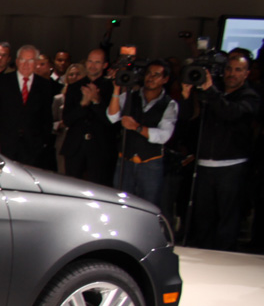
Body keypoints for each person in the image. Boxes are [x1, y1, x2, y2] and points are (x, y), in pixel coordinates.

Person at [185, 51, 261, 250]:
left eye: (238, 70)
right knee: (203, 216)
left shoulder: (250, 96)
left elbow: (230, 112)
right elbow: (192, 119)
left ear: (246, 73)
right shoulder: (212, 91)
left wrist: (210, 91)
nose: (232, 73)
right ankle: (203, 253)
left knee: (228, 218)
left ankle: (224, 255)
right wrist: (190, 95)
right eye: (229, 68)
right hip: (205, 164)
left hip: (232, 166)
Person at [107, 60, 178, 206]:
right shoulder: (130, 96)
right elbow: (112, 116)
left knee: (147, 204)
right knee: (120, 201)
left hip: (150, 163)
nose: (151, 78)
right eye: (149, 73)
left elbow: (164, 135)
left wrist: (137, 127)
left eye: (156, 75)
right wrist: (116, 89)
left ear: (165, 79)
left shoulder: (169, 104)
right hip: (126, 160)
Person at [0, 44, 58, 168]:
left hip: (33, 146)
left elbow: (46, 116)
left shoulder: (44, 85)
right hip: (6, 142)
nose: (26, 64)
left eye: (30, 61)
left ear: (36, 63)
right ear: (17, 61)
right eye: (23, 60)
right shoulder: (3, 81)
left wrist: (44, 141)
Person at [61, 48, 117, 186]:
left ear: (105, 65)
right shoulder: (74, 87)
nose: (92, 65)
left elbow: (113, 123)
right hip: (75, 147)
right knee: (71, 186)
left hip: (100, 148)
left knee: (98, 187)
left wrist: (97, 102)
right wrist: (83, 104)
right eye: (90, 61)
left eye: (97, 62)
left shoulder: (111, 88)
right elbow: (67, 120)